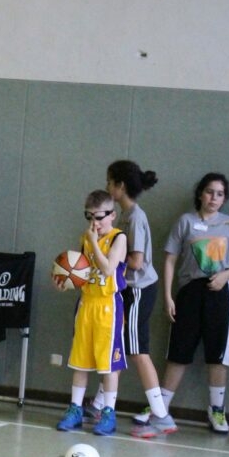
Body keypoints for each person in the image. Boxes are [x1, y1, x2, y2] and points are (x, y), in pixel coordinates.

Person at [84, 160, 177, 439]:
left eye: (109, 181)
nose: (106, 186)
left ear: (119, 186)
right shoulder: (124, 215)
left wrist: (108, 260)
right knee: (119, 346)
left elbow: (136, 261)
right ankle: (100, 405)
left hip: (138, 290)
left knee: (137, 350)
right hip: (125, 291)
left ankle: (161, 415)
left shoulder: (135, 217)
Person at [155, 173, 229, 433]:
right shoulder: (185, 222)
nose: (213, 198)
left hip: (221, 293)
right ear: (200, 194)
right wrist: (168, 296)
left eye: (220, 194)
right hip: (190, 293)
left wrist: (225, 276)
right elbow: (170, 259)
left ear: (224, 198)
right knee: (179, 350)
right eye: (209, 192)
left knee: (218, 353)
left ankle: (217, 410)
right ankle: (160, 408)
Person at [55, 189, 128, 436]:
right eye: (89, 217)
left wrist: (94, 242)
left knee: (108, 365)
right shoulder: (85, 239)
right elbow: (83, 273)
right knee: (81, 361)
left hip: (108, 306)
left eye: (99, 217)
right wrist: (67, 282)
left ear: (112, 215)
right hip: (86, 304)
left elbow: (107, 269)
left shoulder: (118, 238)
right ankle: (75, 410)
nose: (94, 223)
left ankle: (108, 413)